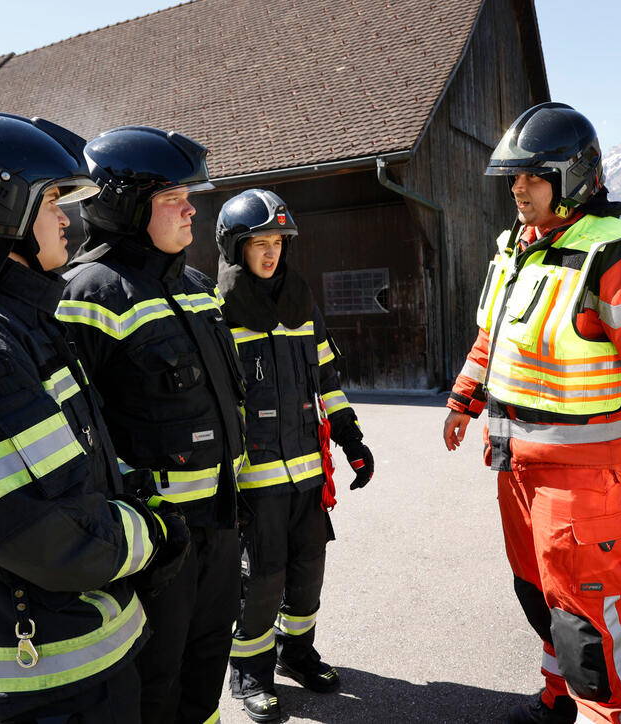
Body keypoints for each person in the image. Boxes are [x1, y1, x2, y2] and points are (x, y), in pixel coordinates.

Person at [0, 112, 189, 724]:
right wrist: (150, 539)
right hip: (51, 682)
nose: (67, 219)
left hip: (82, 653)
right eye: (52, 199)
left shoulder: (14, 321)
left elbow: (73, 459)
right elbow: (40, 532)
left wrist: (136, 499)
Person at [441, 103, 621, 724]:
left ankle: (609, 715)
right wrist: (463, 401)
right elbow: (492, 338)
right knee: (538, 594)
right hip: (515, 466)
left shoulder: (616, 255)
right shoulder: (516, 248)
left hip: (578, 479)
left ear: (573, 177)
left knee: (585, 619)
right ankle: (557, 698)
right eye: (513, 178)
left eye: (532, 177)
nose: (518, 189)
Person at [56, 125, 246, 724]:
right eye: (174, 198)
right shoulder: (85, 296)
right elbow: (76, 435)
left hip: (220, 525)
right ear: (125, 205)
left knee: (207, 669)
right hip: (154, 546)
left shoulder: (196, 288)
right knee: (153, 684)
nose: (193, 208)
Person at [214, 189, 374, 722]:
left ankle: (297, 654)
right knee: (260, 582)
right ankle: (251, 675)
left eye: (278, 242)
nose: (271, 253)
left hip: (308, 475)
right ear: (235, 248)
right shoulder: (217, 313)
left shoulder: (303, 303)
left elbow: (327, 378)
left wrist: (352, 439)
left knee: (308, 575)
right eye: (259, 243)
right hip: (255, 480)